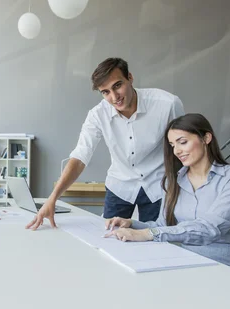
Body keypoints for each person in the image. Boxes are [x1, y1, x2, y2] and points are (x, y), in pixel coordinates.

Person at [26, 57, 184, 230]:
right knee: (108, 238)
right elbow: (80, 156)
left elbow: (182, 148)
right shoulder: (97, 115)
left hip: (159, 185)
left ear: (130, 78)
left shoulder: (167, 104)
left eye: (117, 85)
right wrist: (53, 198)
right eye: (105, 92)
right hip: (120, 186)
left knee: (154, 239)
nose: (114, 97)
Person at [104, 113, 230, 276]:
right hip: (186, 262)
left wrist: (147, 234)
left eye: (182, 142)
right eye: (172, 145)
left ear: (206, 138)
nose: (177, 151)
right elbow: (162, 226)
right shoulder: (173, 181)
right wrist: (132, 224)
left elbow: (209, 228)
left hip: (229, 266)